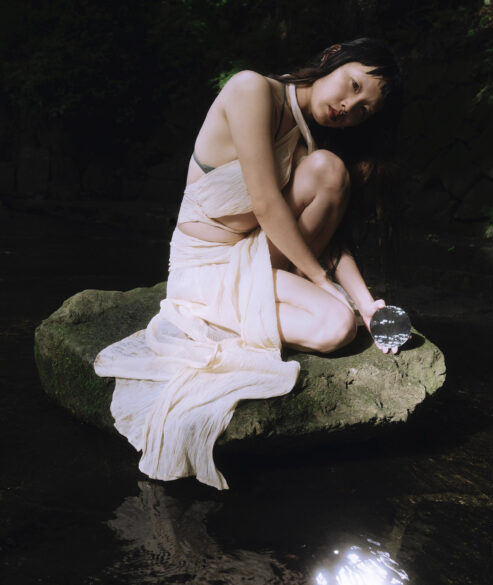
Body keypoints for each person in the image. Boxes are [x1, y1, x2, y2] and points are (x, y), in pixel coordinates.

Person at [94, 38, 402, 490]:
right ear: (331, 56)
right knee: (337, 325)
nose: (347, 107)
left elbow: (332, 240)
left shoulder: (310, 142)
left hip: (253, 256)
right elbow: (265, 203)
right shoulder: (251, 90)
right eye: (353, 85)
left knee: (330, 171)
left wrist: (368, 304)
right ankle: (228, 315)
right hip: (205, 270)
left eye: (363, 110)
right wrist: (321, 282)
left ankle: (274, 308)